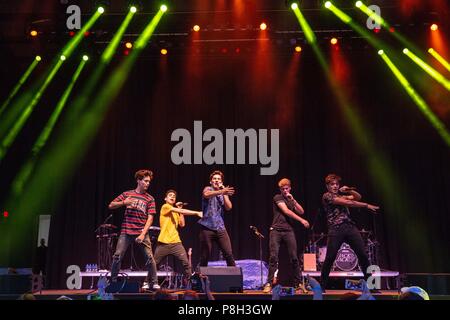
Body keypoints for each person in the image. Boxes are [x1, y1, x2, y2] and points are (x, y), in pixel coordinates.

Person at [320, 173, 379, 291]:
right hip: (336, 229)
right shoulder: (327, 196)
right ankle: (322, 286)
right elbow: (350, 203)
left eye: (337, 184)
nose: (335, 186)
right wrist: (366, 205)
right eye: (332, 184)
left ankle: (371, 286)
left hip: (350, 227)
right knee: (330, 258)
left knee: (363, 255)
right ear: (328, 186)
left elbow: (357, 197)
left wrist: (349, 190)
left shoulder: (342, 195)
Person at [108, 169, 159, 289]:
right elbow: (111, 205)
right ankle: (113, 281)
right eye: (145, 181)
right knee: (117, 255)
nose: (148, 183)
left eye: (149, 181)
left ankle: (154, 282)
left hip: (141, 232)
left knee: (150, 258)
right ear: (138, 180)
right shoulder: (127, 194)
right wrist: (124, 202)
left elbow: (150, 218)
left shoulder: (150, 199)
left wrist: (143, 234)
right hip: (126, 231)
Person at [263, 178, 310, 293]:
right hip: (276, 231)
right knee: (273, 257)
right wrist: (302, 221)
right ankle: (269, 283)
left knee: (294, 257)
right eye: (282, 189)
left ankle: (298, 283)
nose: (285, 190)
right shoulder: (277, 197)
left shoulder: (290, 200)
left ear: (290, 188)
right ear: (280, 189)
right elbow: (287, 211)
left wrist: (293, 200)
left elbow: (301, 211)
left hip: (289, 231)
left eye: (286, 188)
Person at [153, 189, 202, 285]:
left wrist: (180, 210)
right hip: (164, 242)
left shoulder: (176, 211)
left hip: (176, 242)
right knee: (154, 264)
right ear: (165, 198)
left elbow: (182, 224)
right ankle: (147, 282)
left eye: (174, 196)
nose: (172, 197)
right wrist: (196, 212)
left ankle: (191, 284)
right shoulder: (165, 206)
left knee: (186, 264)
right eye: (170, 195)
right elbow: (181, 210)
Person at [198, 170, 236, 267]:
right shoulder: (208, 189)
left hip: (220, 227)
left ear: (221, 182)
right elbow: (206, 194)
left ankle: (234, 280)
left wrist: (224, 193)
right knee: (205, 256)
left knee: (229, 254)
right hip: (207, 227)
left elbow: (229, 207)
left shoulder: (222, 193)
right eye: (214, 179)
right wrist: (221, 191)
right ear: (211, 181)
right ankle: (200, 280)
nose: (216, 180)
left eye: (219, 179)